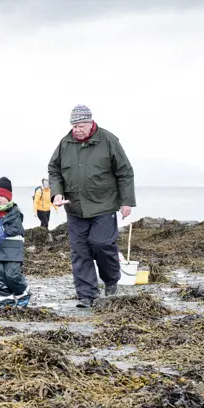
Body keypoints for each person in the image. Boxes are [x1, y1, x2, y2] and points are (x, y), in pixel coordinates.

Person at [48, 105, 136, 309]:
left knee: (102, 245)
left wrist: (126, 201)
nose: (76, 129)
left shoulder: (108, 140)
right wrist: (57, 193)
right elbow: (54, 169)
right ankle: (87, 295)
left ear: (90, 123)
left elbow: (125, 172)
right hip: (75, 208)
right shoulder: (65, 143)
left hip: (103, 205)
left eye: (80, 125)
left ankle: (111, 280)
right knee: (80, 252)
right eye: (74, 125)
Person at [0, 177, 30, 308]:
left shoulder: (15, 212)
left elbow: (16, 228)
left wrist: (2, 230)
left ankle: (23, 294)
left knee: (12, 275)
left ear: (9, 196)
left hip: (13, 251)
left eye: (1, 195)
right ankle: (5, 301)